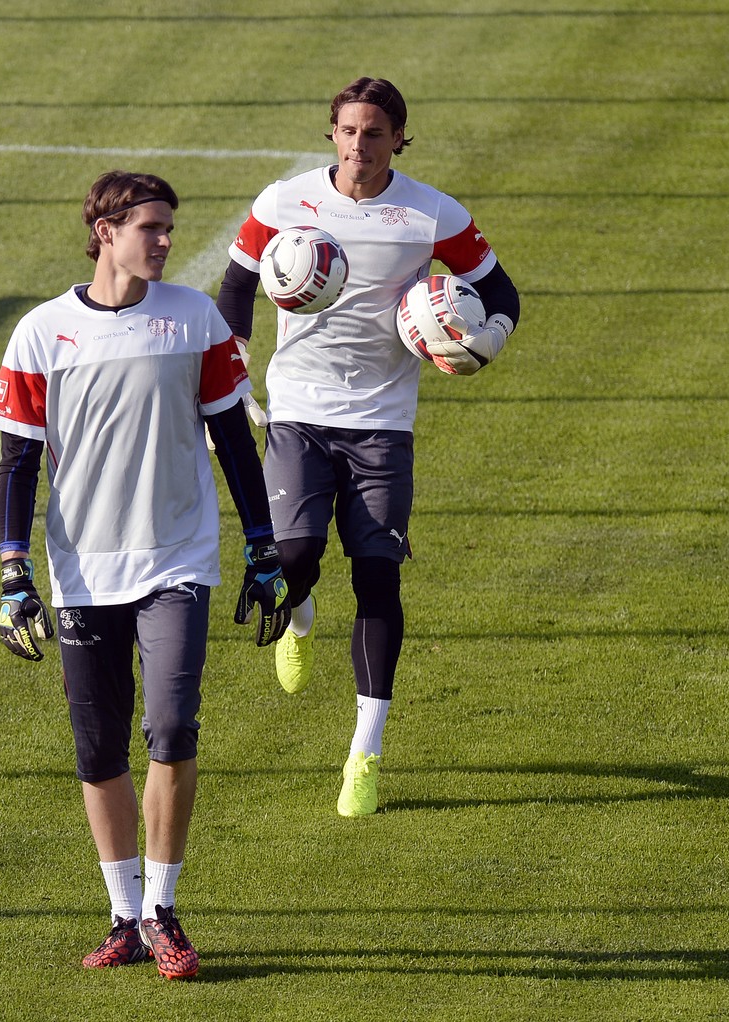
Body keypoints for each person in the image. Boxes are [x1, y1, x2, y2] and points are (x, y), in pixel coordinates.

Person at [0, 170, 288, 979]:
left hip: (176, 561)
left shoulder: (192, 319)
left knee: (172, 727)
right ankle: (122, 913)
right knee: (97, 748)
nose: (163, 241)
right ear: (105, 230)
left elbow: (232, 440)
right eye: (149, 227)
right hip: (83, 571)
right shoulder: (42, 333)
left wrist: (264, 546)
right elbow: (16, 464)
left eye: (168, 229)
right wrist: (13, 569)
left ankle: (163, 909)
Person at [215, 77, 521, 817]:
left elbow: (501, 292)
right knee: (294, 562)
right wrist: (235, 363)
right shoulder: (284, 202)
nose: (359, 145)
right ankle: (300, 615)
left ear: (399, 139)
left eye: (375, 132)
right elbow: (235, 281)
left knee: (380, 578)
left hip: (384, 423)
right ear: (332, 134)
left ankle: (365, 752)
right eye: (348, 131)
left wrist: (483, 343)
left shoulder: (431, 215)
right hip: (297, 413)